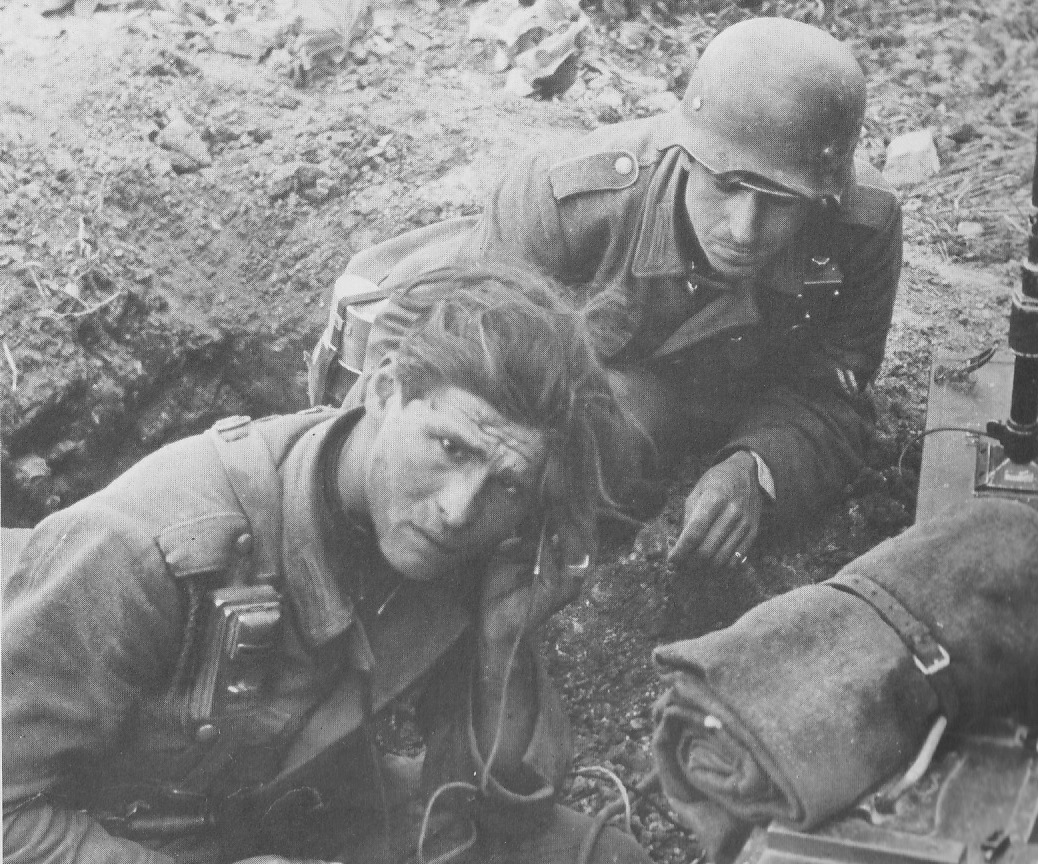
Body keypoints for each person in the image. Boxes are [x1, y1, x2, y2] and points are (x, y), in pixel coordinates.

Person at [2, 265, 650, 864]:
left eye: (508, 482)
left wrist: (502, 644)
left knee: (598, 856)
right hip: (117, 840)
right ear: (385, 390)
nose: (458, 510)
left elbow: (491, 810)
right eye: (450, 447)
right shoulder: (144, 546)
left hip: (292, 812)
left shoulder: (458, 539)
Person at [308, 17, 903, 573]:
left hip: (683, 396)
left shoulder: (858, 234)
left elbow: (834, 393)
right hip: (489, 348)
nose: (745, 229)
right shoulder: (569, 202)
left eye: (779, 202)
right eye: (727, 186)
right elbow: (435, 357)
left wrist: (759, 468)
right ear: (686, 154)